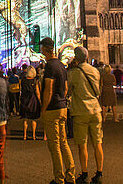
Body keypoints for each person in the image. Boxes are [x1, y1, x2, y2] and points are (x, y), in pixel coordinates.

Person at [39, 37, 74, 184]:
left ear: (45, 49)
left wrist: (44, 109)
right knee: (64, 142)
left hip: (52, 109)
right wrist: (61, 100)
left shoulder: (49, 67)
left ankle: (59, 179)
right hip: (62, 107)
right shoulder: (61, 65)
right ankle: (71, 176)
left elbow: (48, 89)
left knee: (54, 146)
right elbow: (65, 88)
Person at [68, 47, 104, 184]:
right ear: (87, 57)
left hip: (81, 111)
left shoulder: (74, 73)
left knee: (82, 144)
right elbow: (98, 89)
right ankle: (99, 173)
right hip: (96, 110)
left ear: (76, 58)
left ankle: (84, 173)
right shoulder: (95, 71)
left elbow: (69, 90)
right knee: (98, 143)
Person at [19, 65, 41, 140]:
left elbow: (20, 89)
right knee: (33, 119)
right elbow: (37, 92)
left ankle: (24, 135)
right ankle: (34, 135)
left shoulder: (23, 80)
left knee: (25, 119)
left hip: (24, 99)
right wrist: (40, 101)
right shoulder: (35, 81)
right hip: (33, 100)